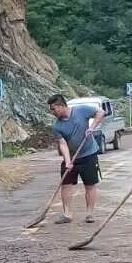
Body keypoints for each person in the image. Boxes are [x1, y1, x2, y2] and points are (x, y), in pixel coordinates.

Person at [48, 94, 105, 223]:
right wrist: (68, 161)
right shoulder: (57, 126)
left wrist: (92, 127)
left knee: (89, 185)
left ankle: (89, 214)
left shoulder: (81, 110)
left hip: (89, 154)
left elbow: (101, 112)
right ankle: (67, 214)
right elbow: (62, 144)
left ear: (61, 105)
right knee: (65, 184)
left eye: (53, 109)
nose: (52, 112)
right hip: (71, 156)